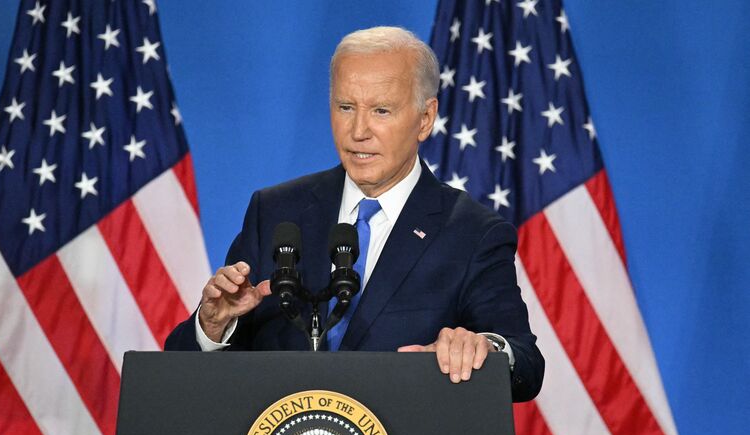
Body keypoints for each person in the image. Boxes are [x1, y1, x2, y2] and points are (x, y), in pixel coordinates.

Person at [164, 26, 544, 402]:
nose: (358, 131)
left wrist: (485, 348)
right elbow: (183, 373)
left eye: (381, 110)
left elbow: (525, 364)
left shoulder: (472, 232)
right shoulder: (276, 212)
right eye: (346, 107)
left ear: (425, 118)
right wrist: (212, 327)